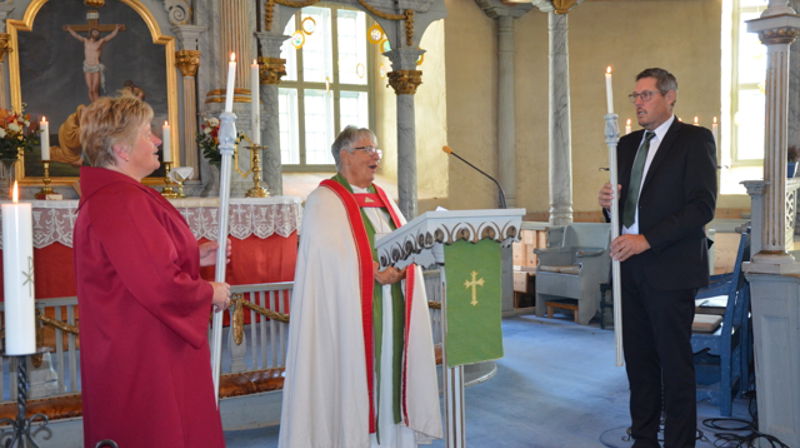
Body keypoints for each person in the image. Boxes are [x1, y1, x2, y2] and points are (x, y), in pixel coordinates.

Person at [73, 95, 230, 447]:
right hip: (148, 350)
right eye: (147, 133)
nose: (157, 139)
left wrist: (193, 254)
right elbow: (159, 284)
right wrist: (210, 292)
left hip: (137, 341)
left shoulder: (116, 195)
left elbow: (134, 264)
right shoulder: (121, 200)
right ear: (122, 149)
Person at [279, 126, 442, 447]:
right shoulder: (324, 200)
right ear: (345, 155)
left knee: (391, 372)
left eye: (376, 150)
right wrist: (371, 271)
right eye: (367, 149)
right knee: (357, 375)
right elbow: (326, 258)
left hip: (393, 306)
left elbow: (405, 239)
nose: (375, 156)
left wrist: (403, 266)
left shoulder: (383, 199)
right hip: (351, 314)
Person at [598, 68, 717, 448]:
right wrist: (608, 205)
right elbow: (624, 210)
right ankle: (644, 438)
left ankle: (680, 442)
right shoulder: (626, 144)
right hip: (628, 266)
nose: (638, 103)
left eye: (646, 95)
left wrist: (647, 240)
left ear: (670, 97)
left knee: (674, 364)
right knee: (639, 362)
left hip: (670, 267)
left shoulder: (694, 140)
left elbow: (702, 206)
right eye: (635, 96)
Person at [66, 25, 122, 103]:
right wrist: (69, 29)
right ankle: (93, 105)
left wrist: (116, 29)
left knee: (95, 89)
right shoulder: (86, 41)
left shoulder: (100, 41)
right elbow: (76, 36)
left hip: (96, 67)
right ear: (91, 33)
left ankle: (97, 105)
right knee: (90, 89)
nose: (96, 33)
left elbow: (110, 36)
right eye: (95, 32)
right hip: (87, 67)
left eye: (97, 32)